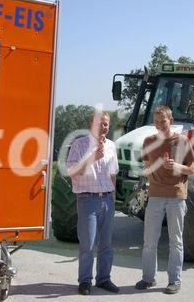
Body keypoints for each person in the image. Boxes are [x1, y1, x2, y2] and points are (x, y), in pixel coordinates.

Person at [135, 105, 194, 294]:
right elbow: (146, 166)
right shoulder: (148, 141)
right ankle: (148, 278)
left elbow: (192, 170)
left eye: (163, 121)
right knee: (149, 241)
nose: (159, 124)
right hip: (155, 196)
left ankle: (174, 281)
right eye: (156, 121)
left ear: (171, 121)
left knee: (175, 241)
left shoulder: (183, 141)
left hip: (176, 197)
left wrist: (176, 166)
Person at [66, 110, 119, 296]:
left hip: (107, 199)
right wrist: (92, 158)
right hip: (87, 199)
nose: (103, 127)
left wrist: (112, 197)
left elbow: (113, 174)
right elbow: (72, 171)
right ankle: (85, 281)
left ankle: (104, 279)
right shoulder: (79, 145)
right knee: (88, 244)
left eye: (105, 124)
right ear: (91, 124)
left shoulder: (112, 146)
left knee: (106, 244)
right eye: (99, 123)